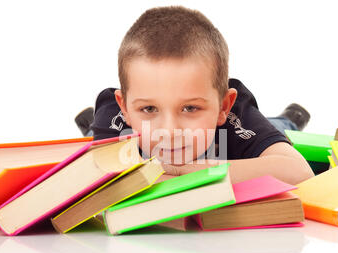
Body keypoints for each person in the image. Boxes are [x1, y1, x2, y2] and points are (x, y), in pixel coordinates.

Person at [75, 6, 313, 185]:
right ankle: (89, 123)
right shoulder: (114, 114)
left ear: (223, 107)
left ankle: (290, 118)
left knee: (277, 127)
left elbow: (299, 172)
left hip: (236, 132)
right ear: (124, 108)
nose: (169, 131)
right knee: (92, 137)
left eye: (190, 108)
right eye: (149, 109)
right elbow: (98, 177)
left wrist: (189, 171)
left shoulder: (235, 113)